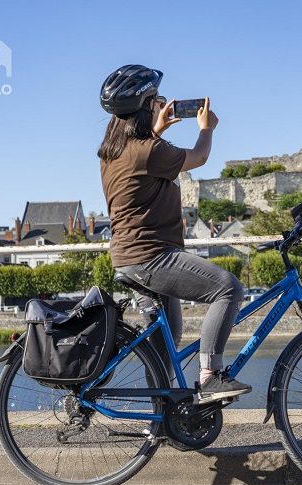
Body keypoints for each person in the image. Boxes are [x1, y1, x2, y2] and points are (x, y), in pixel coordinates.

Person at [97, 64, 250, 404]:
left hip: (128, 257)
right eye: (158, 99)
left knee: (166, 340)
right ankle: (210, 376)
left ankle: (162, 420)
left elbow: (145, 163)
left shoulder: (113, 152)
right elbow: (200, 156)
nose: (163, 104)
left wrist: (156, 129)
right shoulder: (150, 150)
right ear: (145, 104)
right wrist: (206, 128)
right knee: (229, 289)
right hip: (152, 257)